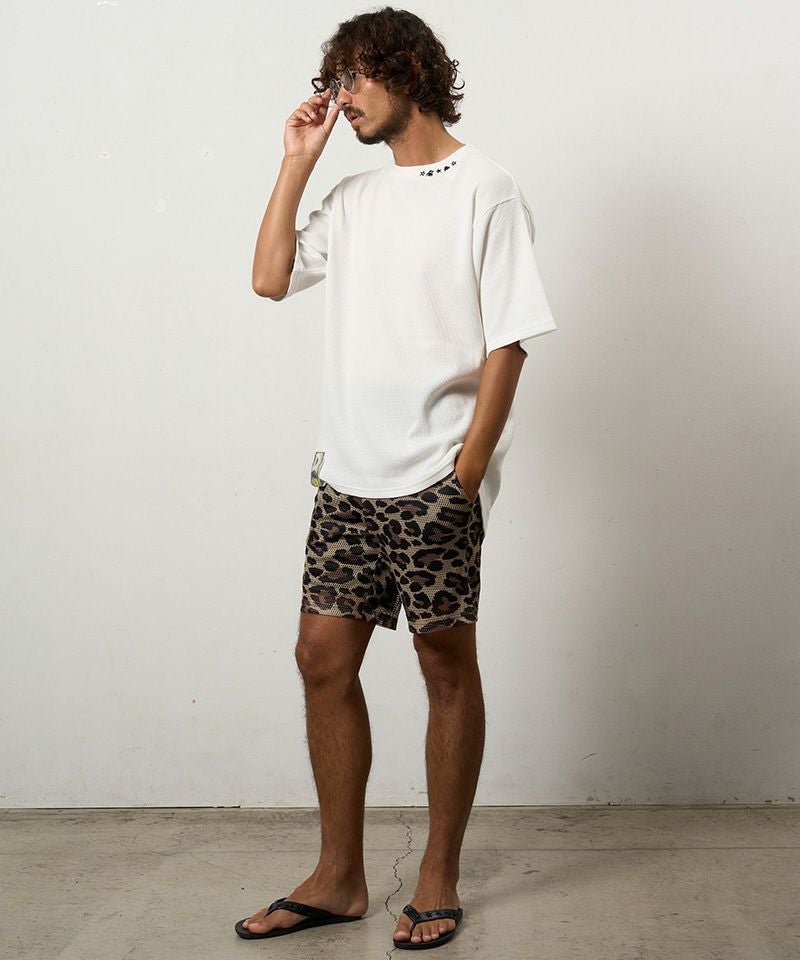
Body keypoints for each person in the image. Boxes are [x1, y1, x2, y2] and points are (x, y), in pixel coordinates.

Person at [237, 6, 557, 950]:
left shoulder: (487, 187)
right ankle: (338, 877)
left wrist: (466, 474)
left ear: (409, 72)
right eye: (333, 81)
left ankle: (437, 875)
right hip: (346, 479)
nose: (341, 99)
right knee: (320, 660)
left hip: (432, 482)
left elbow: (510, 339)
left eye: (355, 78)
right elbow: (268, 278)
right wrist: (297, 162)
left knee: (443, 667)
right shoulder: (352, 198)